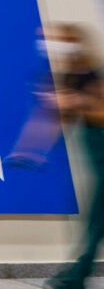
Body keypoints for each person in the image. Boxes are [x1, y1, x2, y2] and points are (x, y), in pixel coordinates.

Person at [39, 23, 104, 289]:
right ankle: (78, 273)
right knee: (97, 218)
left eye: (64, 40)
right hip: (96, 156)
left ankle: (77, 275)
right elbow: (58, 118)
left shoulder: (93, 74)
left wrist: (82, 102)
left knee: (97, 219)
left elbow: (99, 112)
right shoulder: (69, 77)